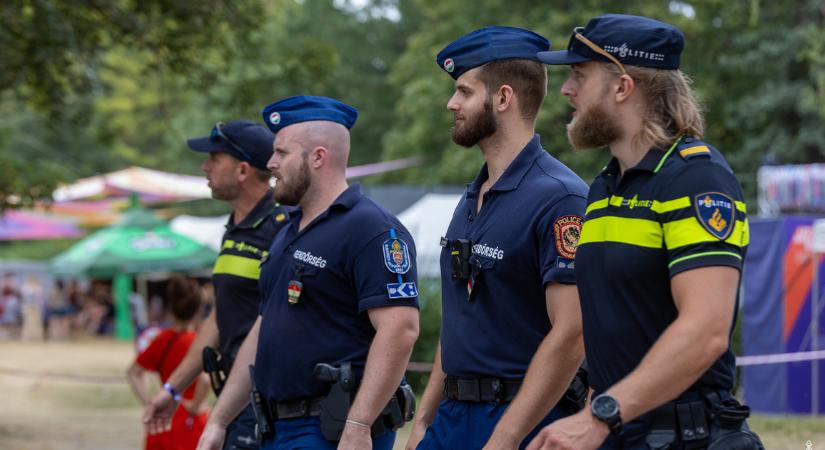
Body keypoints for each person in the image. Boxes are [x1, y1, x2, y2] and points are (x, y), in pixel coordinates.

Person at [528, 14, 763, 450]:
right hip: (616, 432)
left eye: (579, 75)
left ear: (622, 86)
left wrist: (601, 416)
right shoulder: (604, 187)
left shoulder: (697, 179)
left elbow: (707, 329)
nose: (566, 90)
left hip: (683, 437)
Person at [196, 95, 420, 450]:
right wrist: (219, 421)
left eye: (281, 153)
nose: (270, 164)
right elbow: (263, 326)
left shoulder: (370, 228)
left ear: (318, 157)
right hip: (276, 427)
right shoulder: (287, 231)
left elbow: (400, 330)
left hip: (331, 429)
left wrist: (359, 425)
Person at [407, 27, 589, 450]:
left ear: (503, 98)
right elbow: (460, 321)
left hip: (522, 421)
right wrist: (424, 420)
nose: (451, 104)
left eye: (464, 92)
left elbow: (573, 333)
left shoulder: (561, 198)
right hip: (451, 421)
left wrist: (506, 437)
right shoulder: (473, 196)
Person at [143, 120, 292, 450]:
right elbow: (219, 320)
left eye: (215, 158)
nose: (205, 166)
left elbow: (276, 322)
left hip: (265, 400)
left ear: (242, 170)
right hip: (232, 396)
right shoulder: (234, 229)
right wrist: (172, 390)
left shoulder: (282, 228)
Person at [127, 276, 211, 450]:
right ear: (198, 309)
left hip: (162, 420)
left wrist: (150, 401)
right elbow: (205, 380)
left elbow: (133, 372)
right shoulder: (198, 342)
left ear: (170, 308)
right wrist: (195, 406)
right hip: (191, 422)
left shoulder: (161, 339)